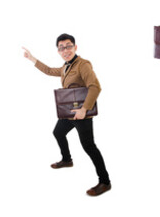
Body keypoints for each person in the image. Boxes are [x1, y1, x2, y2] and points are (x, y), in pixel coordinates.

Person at [22, 33, 111, 196]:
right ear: (58, 51)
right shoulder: (66, 66)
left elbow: (95, 87)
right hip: (68, 113)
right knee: (58, 132)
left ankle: (105, 182)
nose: (65, 50)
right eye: (61, 48)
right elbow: (49, 70)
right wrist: (32, 59)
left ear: (75, 47)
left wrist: (84, 109)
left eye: (68, 46)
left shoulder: (82, 64)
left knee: (89, 147)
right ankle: (67, 160)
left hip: (82, 115)